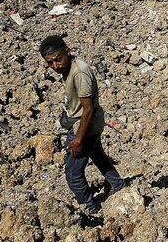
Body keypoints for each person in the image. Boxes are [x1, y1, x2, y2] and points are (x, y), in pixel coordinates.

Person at [39, 35, 124, 214]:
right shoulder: (70, 68)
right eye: (50, 63)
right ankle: (120, 187)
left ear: (68, 52)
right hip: (89, 125)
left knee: (73, 173)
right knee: (100, 158)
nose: (55, 66)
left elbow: (88, 109)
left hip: (85, 128)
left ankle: (89, 208)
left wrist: (78, 139)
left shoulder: (79, 73)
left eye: (58, 60)